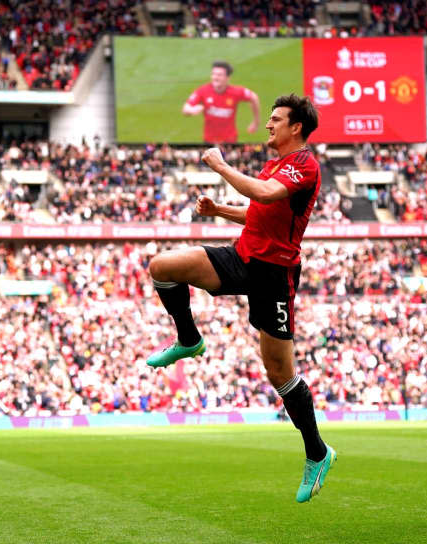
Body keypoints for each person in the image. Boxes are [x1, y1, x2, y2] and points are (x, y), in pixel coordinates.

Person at [147, 93, 335, 503]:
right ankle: (188, 339)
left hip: (275, 274)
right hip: (243, 255)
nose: (268, 125)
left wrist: (219, 166)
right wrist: (220, 211)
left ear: (295, 127)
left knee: (280, 374)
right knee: (162, 267)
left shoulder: (305, 164)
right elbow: (259, 210)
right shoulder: (275, 165)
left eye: (275, 119)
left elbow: (267, 195)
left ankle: (317, 453)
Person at [182, 61, 260, 143]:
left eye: (219, 75)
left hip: (230, 141)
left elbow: (254, 97)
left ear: (228, 77)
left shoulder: (235, 92)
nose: (215, 77)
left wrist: (256, 121)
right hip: (209, 141)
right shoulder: (203, 91)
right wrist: (192, 110)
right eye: (213, 74)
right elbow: (185, 109)